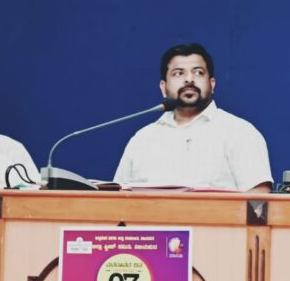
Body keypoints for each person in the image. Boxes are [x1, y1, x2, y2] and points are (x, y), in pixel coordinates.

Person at [114, 43, 273, 192]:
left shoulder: (240, 132)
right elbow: (116, 200)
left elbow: (259, 201)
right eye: (178, 73)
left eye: (198, 72)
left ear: (212, 84)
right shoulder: (142, 139)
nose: (189, 79)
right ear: (163, 87)